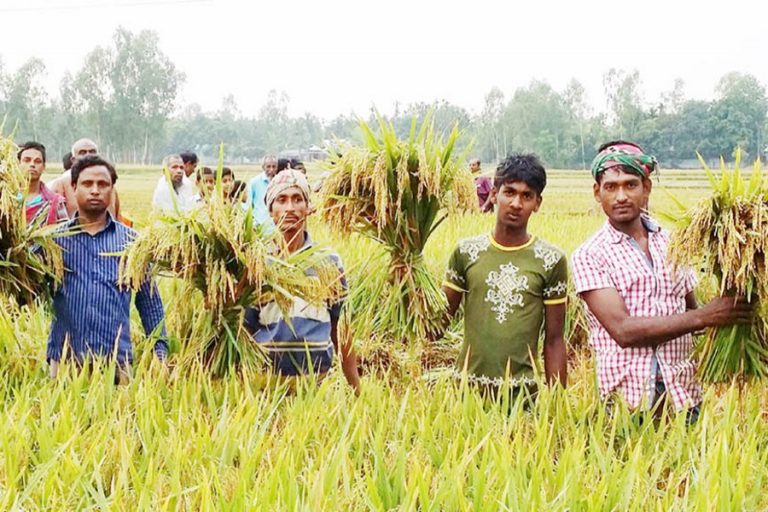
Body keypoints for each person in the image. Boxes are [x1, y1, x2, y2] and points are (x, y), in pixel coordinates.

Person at [571, 140, 754, 421]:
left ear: (646, 188)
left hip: (684, 394)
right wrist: (706, 316)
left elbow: (692, 311)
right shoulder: (589, 255)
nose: (621, 195)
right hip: (627, 401)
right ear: (598, 193)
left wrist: (736, 292)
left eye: (630, 184)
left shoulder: (674, 244)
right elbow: (622, 330)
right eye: (611, 186)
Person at [438, 153, 568, 398]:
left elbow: (554, 341)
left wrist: (556, 405)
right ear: (494, 194)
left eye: (526, 196)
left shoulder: (551, 260)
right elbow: (437, 326)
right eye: (509, 192)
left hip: (524, 395)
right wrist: (407, 285)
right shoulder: (466, 252)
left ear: (537, 203)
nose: (516, 204)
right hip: (466, 393)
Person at [47, 155, 168, 381]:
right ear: (74, 188)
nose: (95, 190)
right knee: (61, 415)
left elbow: (149, 302)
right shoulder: (53, 241)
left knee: (120, 416)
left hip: (117, 361)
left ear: (112, 189)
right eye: (87, 184)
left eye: (103, 185)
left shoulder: (132, 242)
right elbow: (28, 289)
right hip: (65, 360)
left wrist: (159, 351)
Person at [244, 170, 361, 393]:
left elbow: (341, 328)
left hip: (316, 386)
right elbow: (246, 328)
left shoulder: (328, 261)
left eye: (298, 199)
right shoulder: (258, 262)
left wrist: (356, 388)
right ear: (270, 210)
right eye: (282, 200)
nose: (290, 208)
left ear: (308, 208)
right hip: (265, 385)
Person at [48, 138, 123, 221]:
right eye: (82, 152)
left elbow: (118, 218)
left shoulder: (108, 185)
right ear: (73, 160)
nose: (88, 156)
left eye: (92, 152)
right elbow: (53, 221)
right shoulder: (61, 185)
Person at [17, 141, 68, 225]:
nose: (32, 164)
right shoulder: (6, 200)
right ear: (18, 164)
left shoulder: (55, 203)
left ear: (44, 167)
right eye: (27, 160)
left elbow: (65, 233)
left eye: (37, 161)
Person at [246, 155, 278, 225]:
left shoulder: (280, 182)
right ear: (263, 167)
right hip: (260, 225)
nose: (271, 169)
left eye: (274, 166)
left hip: (276, 225)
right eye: (268, 166)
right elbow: (248, 205)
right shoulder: (254, 182)